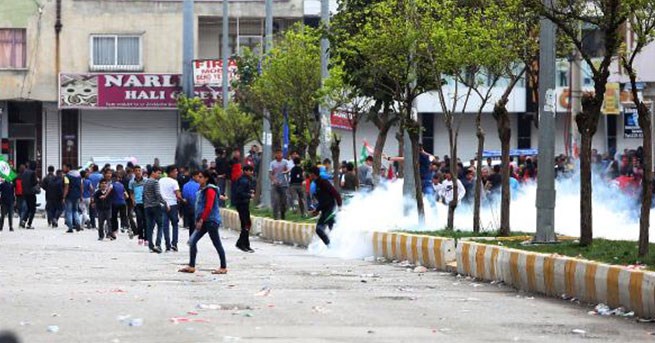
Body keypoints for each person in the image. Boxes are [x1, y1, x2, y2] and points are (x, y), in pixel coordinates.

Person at [178, 170, 227, 274]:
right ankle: (191, 265)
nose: (198, 179)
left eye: (201, 177)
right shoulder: (202, 190)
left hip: (210, 221)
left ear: (206, 178)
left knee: (217, 243)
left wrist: (201, 220)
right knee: (192, 241)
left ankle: (223, 267)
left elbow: (208, 207)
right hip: (204, 220)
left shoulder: (210, 190)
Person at [308, 166, 342, 246]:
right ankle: (331, 246)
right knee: (320, 229)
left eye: (310, 174)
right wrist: (317, 209)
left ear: (313, 174)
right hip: (325, 210)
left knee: (329, 229)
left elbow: (335, 194)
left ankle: (334, 246)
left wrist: (339, 206)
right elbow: (322, 201)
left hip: (330, 209)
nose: (309, 176)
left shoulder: (324, 182)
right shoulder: (316, 184)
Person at [143, 166, 167, 253]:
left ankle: (150, 246)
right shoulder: (155, 182)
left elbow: (143, 195)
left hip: (147, 207)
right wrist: (164, 203)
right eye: (158, 173)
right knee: (160, 225)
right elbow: (158, 194)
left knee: (149, 227)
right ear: (153, 172)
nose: (159, 175)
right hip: (156, 206)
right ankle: (158, 245)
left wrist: (145, 204)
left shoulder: (145, 182)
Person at [233, 165, 256, 253]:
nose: (251, 173)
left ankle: (245, 244)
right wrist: (249, 195)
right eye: (250, 171)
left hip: (244, 204)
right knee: (246, 224)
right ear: (246, 171)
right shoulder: (243, 181)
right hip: (242, 204)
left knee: (246, 224)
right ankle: (242, 244)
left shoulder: (246, 180)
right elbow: (239, 193)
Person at [160, 165, 182, 251]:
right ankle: (174, 244)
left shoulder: (161, 181)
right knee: (175, 225)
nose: (177, 173)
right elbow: (178, 194)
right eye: (175, 171)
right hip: (173, 205)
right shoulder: (174, 182)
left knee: (165, 225)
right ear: (171, 172)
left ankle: (167, 244)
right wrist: (183, 200)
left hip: (163, 205)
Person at [129, 165, 148, 246]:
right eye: (136, 170)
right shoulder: (131, 182)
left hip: (146, 203)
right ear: (134, 172)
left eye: (139, 170)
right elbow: (131, 192)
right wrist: (133, 200)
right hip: (137, 203)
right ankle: (140, 237)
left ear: (141, 171)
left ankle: (147, 238)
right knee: (139, 220)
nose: (138, 172)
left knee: (146, 221)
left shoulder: (146, 181)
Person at [269, 149, 290, 220]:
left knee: (283, 201)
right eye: (277, 153)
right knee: (275, 200)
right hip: (275, 185)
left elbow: (289, 170)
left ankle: (283, 215)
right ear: (275, 154)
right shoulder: (272, 163)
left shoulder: (285, 162)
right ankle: (275, 216)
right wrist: (274, 180)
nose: (279, 155)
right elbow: (270, 174)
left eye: (280, 153)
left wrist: (285, 171)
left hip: (284, 184)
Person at [63, 163, 83, 233]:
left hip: (69, 196)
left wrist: (64, 197)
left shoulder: (67, 176)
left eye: (64, 167)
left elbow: (66, 187)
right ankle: (78, 223)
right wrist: (81, 195)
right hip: (77, 195)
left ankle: (70, 227)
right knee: (76, 210)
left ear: (68, 168)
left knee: (69, 211)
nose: (64, 168)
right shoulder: (79, 176)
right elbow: (81, 186)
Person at [20, 161, 38, 229]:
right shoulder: (33, 173)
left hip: (25, 192)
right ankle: (29, 224)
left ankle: (24, 221)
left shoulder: (24, 172)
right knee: (33, 209)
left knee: (28, 208)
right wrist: (37, 181)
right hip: (31, 193)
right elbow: (34, 183)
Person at [181, 170, 201, 236]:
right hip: (196, 207)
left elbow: (184, 196)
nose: (200, 178)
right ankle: (193, 242)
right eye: (199, 177)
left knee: (191, 226)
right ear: (194, 177)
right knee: (196, 227)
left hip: (187, 207)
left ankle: (191, 240)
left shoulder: (185, 185)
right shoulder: (198, 185)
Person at [110, 172, 128, 239]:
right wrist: (123, 198)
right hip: (123, 203)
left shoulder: (112, 185)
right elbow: (127, 195)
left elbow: (109, 193)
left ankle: (115, 229)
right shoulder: (122, 185)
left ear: (113, 178)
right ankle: (123, 226)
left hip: (114, 203)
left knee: (114, 217)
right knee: (123, 216)